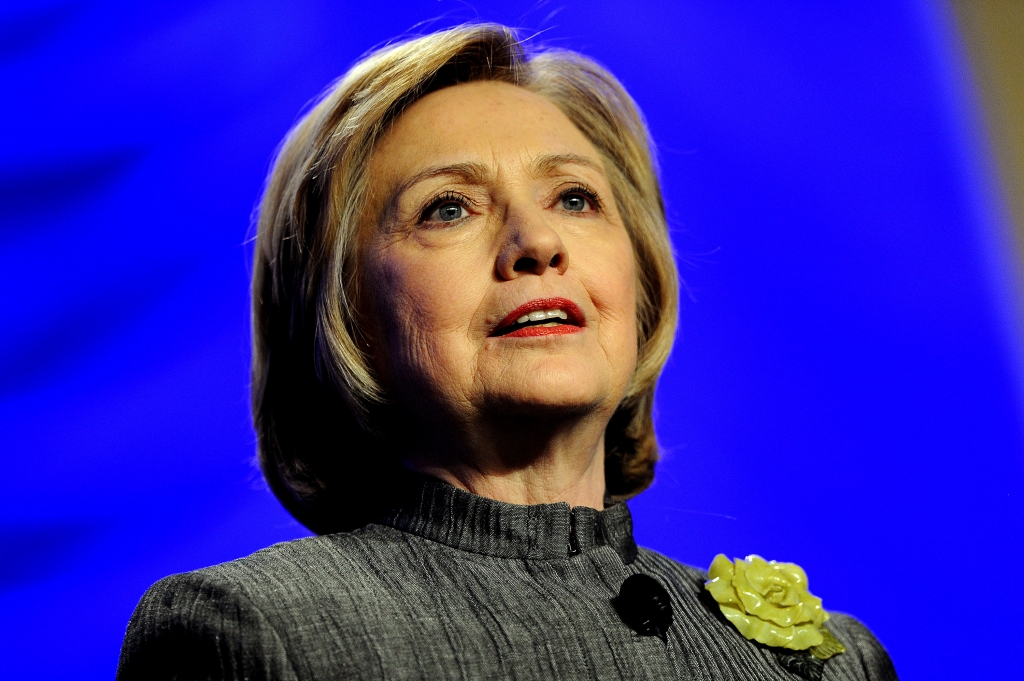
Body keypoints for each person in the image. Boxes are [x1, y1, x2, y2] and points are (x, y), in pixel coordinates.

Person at [117, 24, 897, 681]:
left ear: (641, 280)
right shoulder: (249, 633)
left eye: (574, 198)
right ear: (348, 316)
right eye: (447, 207)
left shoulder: (832, 660)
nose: (538, 243)